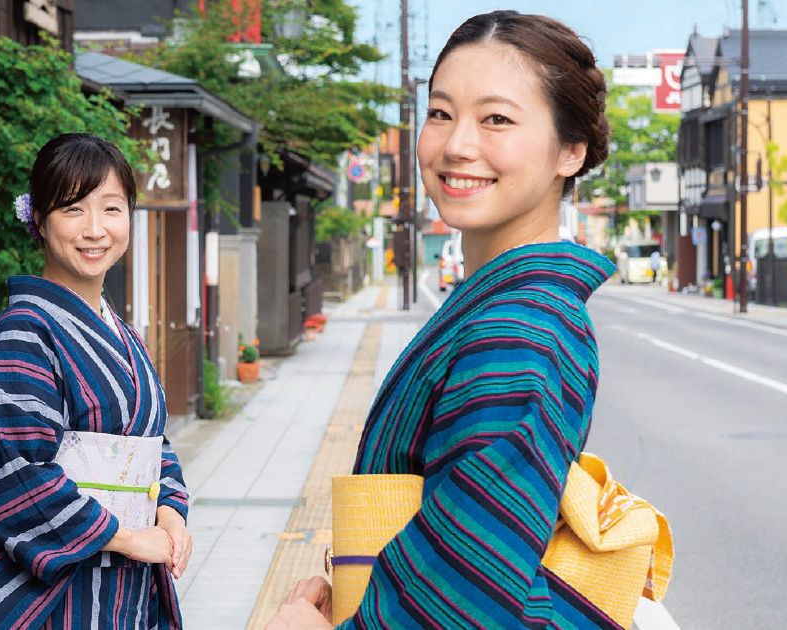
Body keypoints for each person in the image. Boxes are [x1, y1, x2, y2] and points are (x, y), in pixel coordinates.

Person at [266, 11, 621, 629]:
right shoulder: (500, 307)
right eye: (440, 112)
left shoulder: (519, 330)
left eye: (497, 119)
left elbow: (464, 598)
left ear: (571, 150)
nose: (457, 143)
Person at [0, 133, 192, 630]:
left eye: (111, 209)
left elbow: (153, 445)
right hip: (49, 601)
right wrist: (130, 539)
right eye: (73, 209)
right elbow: (18, 472)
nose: (95, 230)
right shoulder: (21, 334)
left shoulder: (123, 332)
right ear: (39, 220)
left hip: (126, 592)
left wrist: (171, 512)